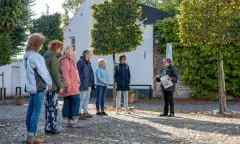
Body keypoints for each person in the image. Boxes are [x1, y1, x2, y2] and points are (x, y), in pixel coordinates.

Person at [24, 33, 52, 143]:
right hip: (39, 87)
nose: (42, 45)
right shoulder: (36, 57)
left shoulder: (26, 56)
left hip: (32, 86)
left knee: (30, 111)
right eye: (41, 43)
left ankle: (31, 134)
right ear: (37, 44)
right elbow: (44, 73)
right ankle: (32, 136)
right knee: (36, 111)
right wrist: (50, 83)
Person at [43, 40, 64, 134]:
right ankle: (52, 127)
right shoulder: (53, 57)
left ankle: (48, 126)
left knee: (48, 107)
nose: (61, 49)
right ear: (56, 47)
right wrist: (61, 86)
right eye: (60, 47)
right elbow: (55, 73)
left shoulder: (46, 55)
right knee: (53, 107)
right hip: (53, 86)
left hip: (47, 86)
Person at [59, 46, 82, 128]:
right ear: (66, 51)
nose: (72, 51)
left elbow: (75, 73)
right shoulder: (65, 61)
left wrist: (78, 80)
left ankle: (67, 120)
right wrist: (68, 85)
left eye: (72, 49)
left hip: (73, 85)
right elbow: (65, 74)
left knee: (68, 102)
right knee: (76, 101)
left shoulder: (71, 61)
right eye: (70, 50)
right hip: (70, 85)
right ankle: (74, 120)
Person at [77, 50, 94, 119]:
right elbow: (77, 73)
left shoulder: (88, 62)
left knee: (87, 98)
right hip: (83, 83)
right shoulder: (80, 62)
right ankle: (78, 113)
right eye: (90, 54)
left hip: (89, 83)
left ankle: (85, 112)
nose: (91, 56)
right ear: (86, 54)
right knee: (82, 98)